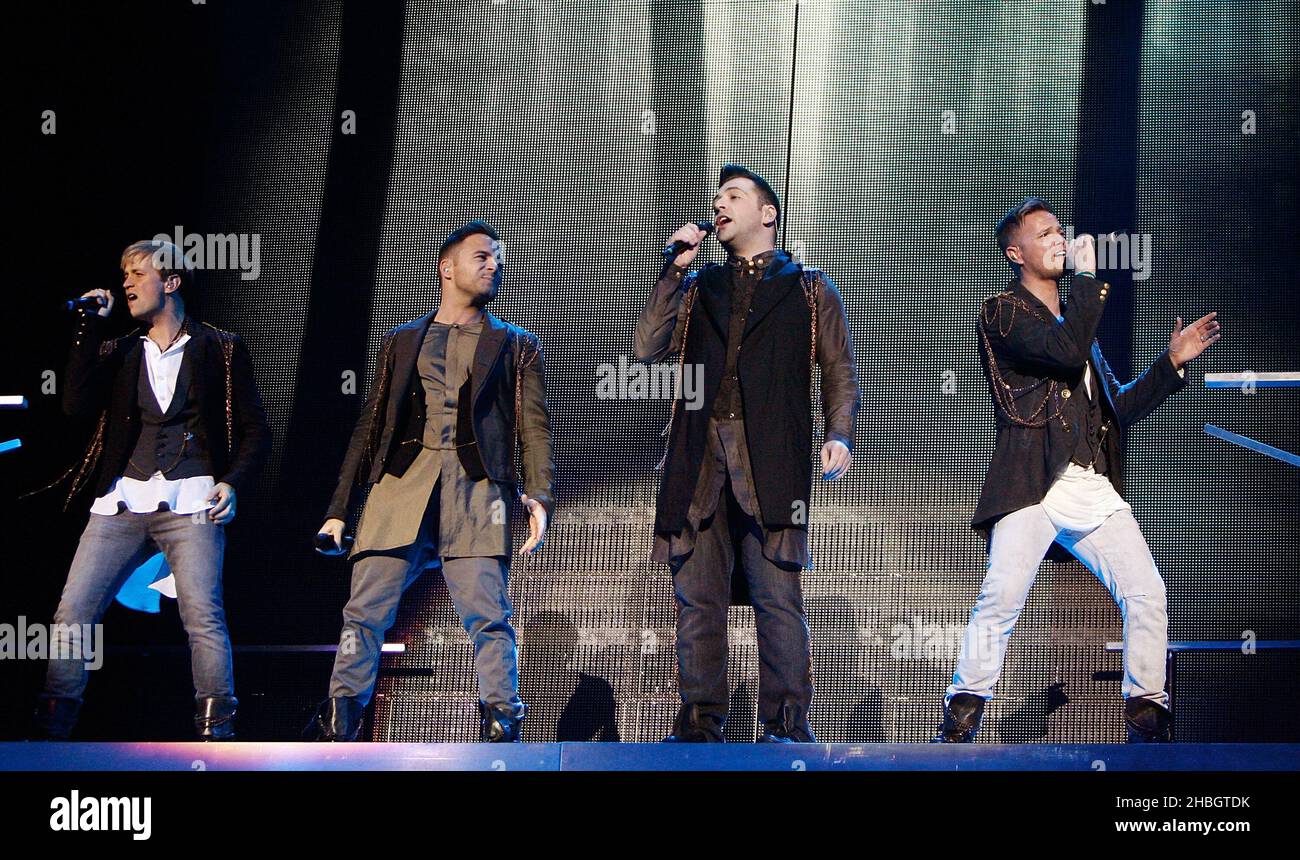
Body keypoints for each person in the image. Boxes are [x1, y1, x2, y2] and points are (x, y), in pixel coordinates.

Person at [935, 197, 1220, 743]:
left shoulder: (1075, 328)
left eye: (1060, 230)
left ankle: (1146, 714)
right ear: (1016, 252)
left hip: (1089, 485)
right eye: (1045, 233)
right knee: (1001, 596)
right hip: (1034, 481)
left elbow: (1119, 409)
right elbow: (1063, 355)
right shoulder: (1002, 313)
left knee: (1147, 591)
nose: (1059, 239)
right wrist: (1089, 280)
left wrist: (1171, 363)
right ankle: (962, 714)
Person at [635, 165, 860, 742]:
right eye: (715, 198)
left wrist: (839, 433)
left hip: (771, 459)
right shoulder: (698, 286)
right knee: (697, 598)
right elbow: (646, 351)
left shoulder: (810, 288)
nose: (718, 204)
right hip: (699, 457)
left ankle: (785, 724)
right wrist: (672, 269)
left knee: (777, 596)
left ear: (768, 214)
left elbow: (838, 369)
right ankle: (699, 722)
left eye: (733, 196)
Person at [310, 220, 554, 743]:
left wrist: (538, 494)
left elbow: (533, 426)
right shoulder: (403, 341)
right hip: (400, 488)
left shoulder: (514, 345)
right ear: (447, 268)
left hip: (476, 492)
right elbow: (370, 427)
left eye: (497, 258)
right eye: (482, 256)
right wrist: (338, 508)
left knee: (488, 614)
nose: (494, 264)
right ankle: (341, 714)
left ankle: (502, 717)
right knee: (364, 613)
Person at [33, 239, 270, 741]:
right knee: (73, 611)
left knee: (202, 614)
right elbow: (73, 404)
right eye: (124, 274)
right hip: (122, 499)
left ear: (172, 282)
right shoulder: (120, 351)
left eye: (138, 274)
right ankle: (53, 725)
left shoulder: (220, 347)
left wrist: (231, 483)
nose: (127, 283)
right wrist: (89, 324)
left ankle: (216, 727)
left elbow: (255, 431)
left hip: (192, 497)